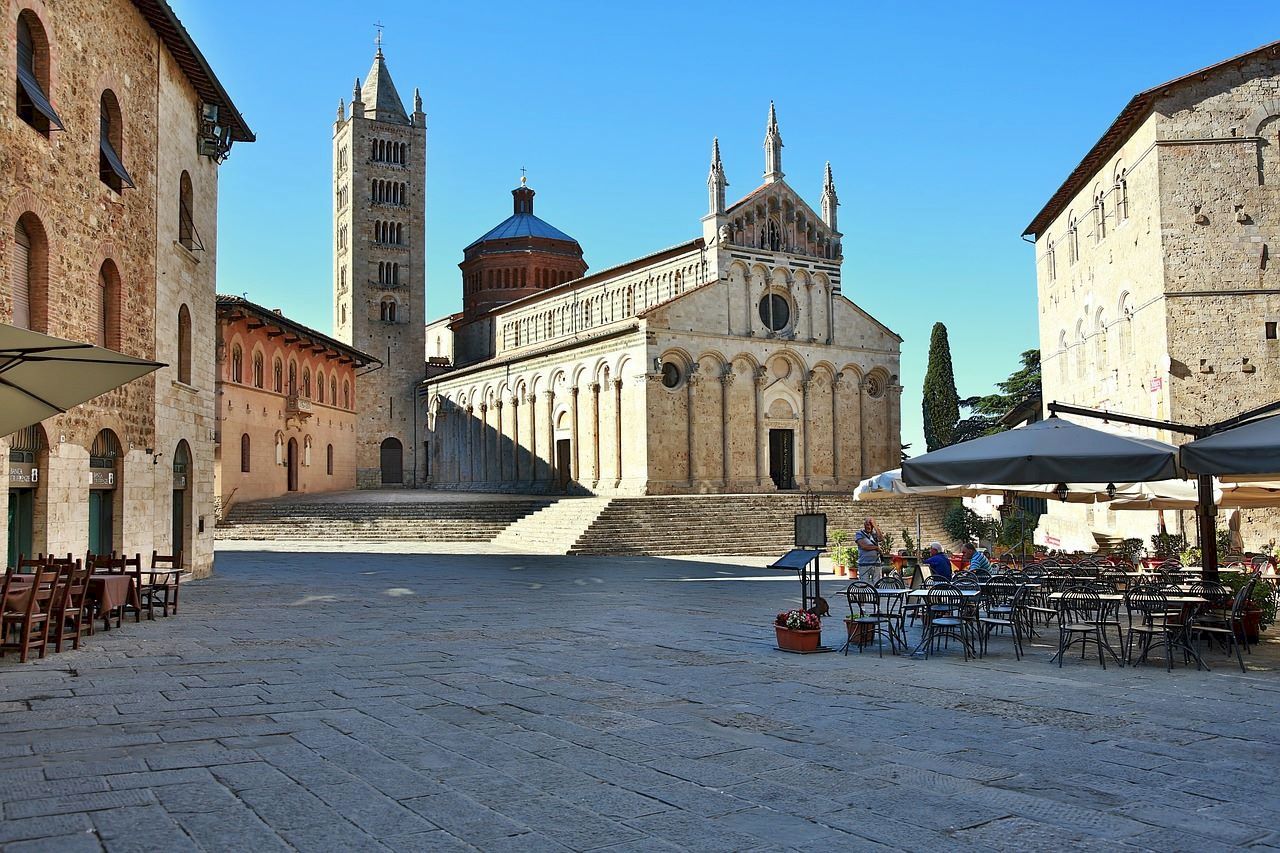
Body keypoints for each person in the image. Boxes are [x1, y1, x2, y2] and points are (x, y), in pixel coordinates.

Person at [853, 518, 883, 583]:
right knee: (864, 585)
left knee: (877, 584)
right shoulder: (859, 533)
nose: (868, 526)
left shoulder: (874, 534)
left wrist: (875, 526)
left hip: (876, 563)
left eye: (871, 525)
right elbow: (864, 546)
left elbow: (880, 539)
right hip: (864, 563)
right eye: (867, 524)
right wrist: (876, 548)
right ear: (864, 525)